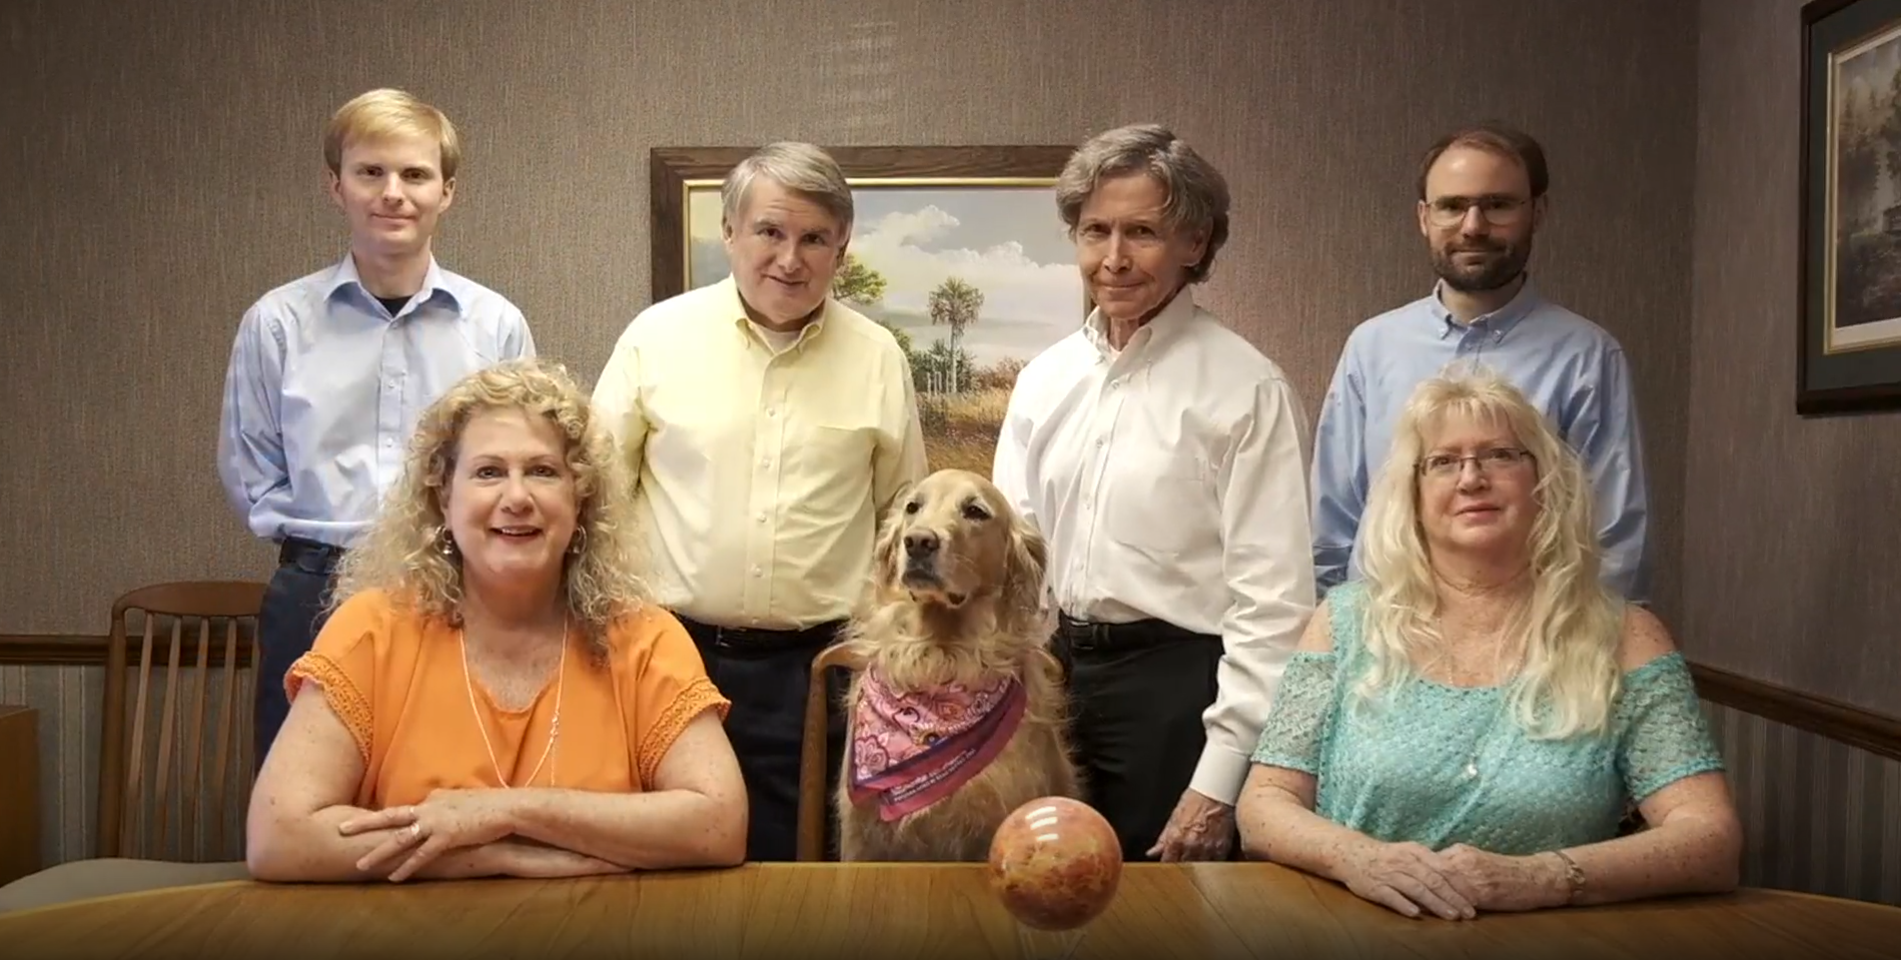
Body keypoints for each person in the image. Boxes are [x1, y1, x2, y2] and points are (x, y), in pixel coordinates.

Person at [1237, 369, 1741, 919]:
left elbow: (1710, 840)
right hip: (1355, 934)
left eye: (1500, 455)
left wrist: (1541, 877)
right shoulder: (1344, 623)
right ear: (1413, 493)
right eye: (1443, 462)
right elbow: (1263, 805)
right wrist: (1359, 859)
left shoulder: (1625, 637)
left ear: (1544, 480)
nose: (1471, 478)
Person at [244, 359, 746, 883]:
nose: (517, 498)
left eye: (543, 471)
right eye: (488, 472)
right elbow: (280, 837)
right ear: (444, 497)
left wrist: (507, 812)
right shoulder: (372, 629)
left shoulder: (645, 638)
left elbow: (719, 824)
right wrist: (491, 857)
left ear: (580, 500)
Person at [591, 141, 927, 861]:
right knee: (660, 868)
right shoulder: (657, 338)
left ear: (841, 249)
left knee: (795, 872)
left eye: (815, 239)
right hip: (667, 654)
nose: (789, 258)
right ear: (729, 232)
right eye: (769, 231)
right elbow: (594, 498)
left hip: (814, 673)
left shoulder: (878, 358)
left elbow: (900, 520)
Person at [992, 124, 1316, 862]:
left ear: (1194, 243)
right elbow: (1017, 562)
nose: (1113, 258)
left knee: (1167, 909)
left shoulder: (1247, 388)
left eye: (1141, 232)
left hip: (1179, 695)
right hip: (1053, 680)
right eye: (1095, 231)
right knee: (1042, 887)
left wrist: (1218, 783)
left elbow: (1273, 607)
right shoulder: (1044, 379)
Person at [216, 88, 535, 769]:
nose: (393, 193)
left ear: (447, 191)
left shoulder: (495, 326)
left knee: (447, 785)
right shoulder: (277, 324)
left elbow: (521, 467)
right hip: (316, 588)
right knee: (301, 792)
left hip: (457, 588)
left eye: (415, 174)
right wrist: (333, 548)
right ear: (336, 186)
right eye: (371, 172)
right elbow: (252, 474)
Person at [1309, 122, 1648, 604]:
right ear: (1424, 217)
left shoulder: (1587, 357)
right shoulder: (1371, 348)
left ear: (1537, 213)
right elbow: (1331, 525)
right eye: (1451, 206)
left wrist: (1589, 642)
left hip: (1533, 639)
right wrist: (1332, 633)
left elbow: (1613, 543)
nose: (1473, 226)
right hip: (1381, 632)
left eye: (1497, 205)